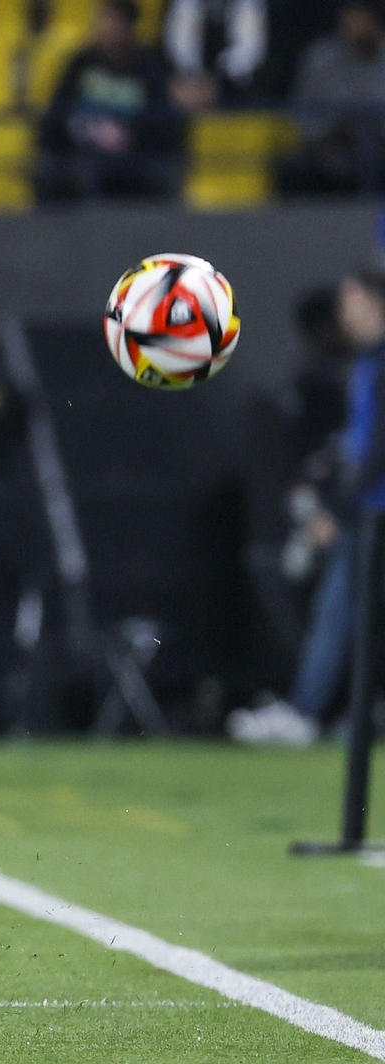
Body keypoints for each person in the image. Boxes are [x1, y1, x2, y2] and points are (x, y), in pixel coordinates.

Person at [228, 271, 385, 745]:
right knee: (345, 614)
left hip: (371, 511)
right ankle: (328, 709)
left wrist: (337, 508)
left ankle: (306, 710)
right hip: (365, 508)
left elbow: (379, 448)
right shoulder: (366, 363)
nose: (343, 312)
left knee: (337, 614)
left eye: (350, 300)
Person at [35, 0, 185, 203]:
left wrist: (127, 136)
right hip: (82, 156)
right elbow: (56, 113)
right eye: (99, 20)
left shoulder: (150, 66)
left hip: (133, 159)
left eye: (109, 20)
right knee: (57, 175)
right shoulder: (81, 63)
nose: (101, 27)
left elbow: (163, 123)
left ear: (127, 25)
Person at [278, 1, 385, 196]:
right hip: (328, 148)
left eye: (360, 18)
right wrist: (327, 133)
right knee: (294, 168)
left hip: (379, 148)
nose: (353, 26)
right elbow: (302, 116)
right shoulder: (320, 58)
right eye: (348, 19)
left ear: (375, 22)